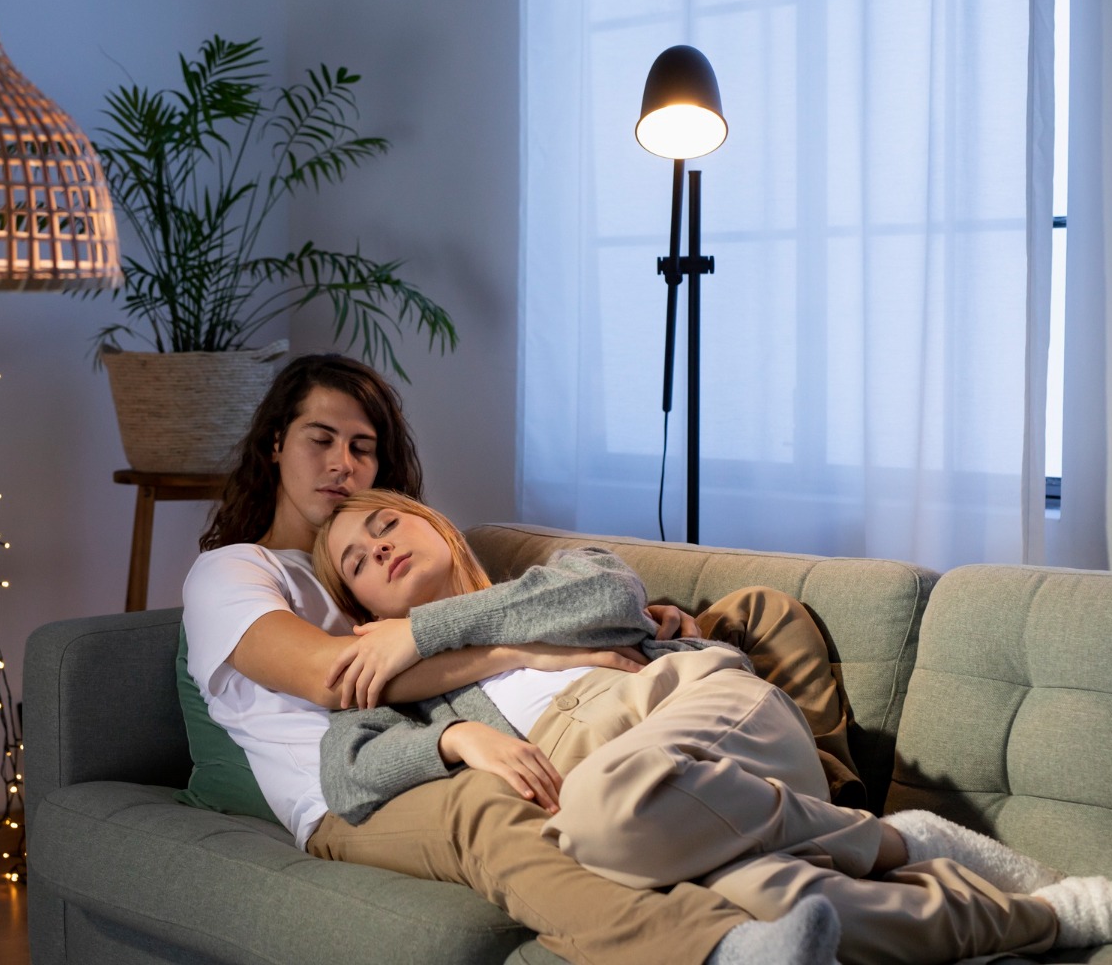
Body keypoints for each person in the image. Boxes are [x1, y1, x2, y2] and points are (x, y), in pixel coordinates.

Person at [311, 488, 1112, 965]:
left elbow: (613, 598)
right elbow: (345, 776)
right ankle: (1066, 913)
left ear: (434, 524)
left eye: (387, 523)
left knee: (598, 810)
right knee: (767, 917)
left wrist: (446, 634)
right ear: (362, 611)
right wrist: (456, 735)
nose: (378, 548)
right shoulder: (405, 693)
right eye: (357, 561)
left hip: (692, 708)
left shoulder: (550, 576)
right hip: (659, 818)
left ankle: (888, 839)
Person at [183, 352, 842, 965]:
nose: (342, 464)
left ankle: (835, 807)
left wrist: (640, 616)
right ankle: (718, 947)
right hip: (345, 789)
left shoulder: (383, 556)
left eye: (363, 447)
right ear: (275, 444)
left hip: (478, 714)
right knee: (486, 810)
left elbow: (485, 607)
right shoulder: (233, 571)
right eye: (319, 439)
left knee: (758, 615)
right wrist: (524, 651)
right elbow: (340, 679)